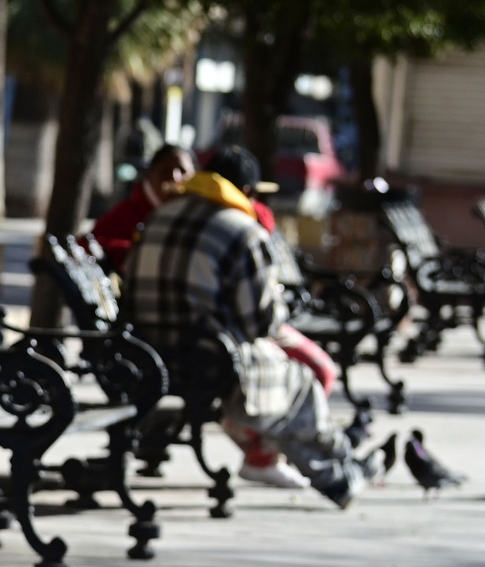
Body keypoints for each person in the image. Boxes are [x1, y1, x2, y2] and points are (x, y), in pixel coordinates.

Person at [124, 145, 383, 506]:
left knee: (289, 387)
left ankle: (341, 469)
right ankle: (337, 471)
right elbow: (260, 321)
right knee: (301, 383)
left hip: (144, 352)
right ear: (246, 191)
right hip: (207, 358)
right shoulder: (242, 230)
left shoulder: (160, 215)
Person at [91, 143, 194, 270]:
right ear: (151, 173)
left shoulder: (196, 216)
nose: (174, 177)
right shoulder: (127, 213)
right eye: (166, 171)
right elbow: (88, 244)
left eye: (183, 171)